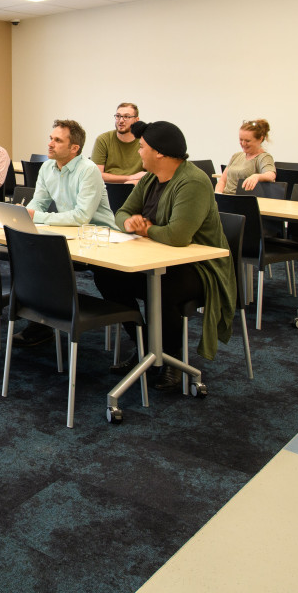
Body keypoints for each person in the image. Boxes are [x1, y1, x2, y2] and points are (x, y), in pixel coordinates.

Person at [92, 120, 236, 391]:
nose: (138, 152)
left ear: (159, 152)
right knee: (107, 275)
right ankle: (145, 344)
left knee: (163, 286)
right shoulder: (149, 178)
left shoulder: (193, 181)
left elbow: (178, 236)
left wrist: (146, 231)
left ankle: (171, 360)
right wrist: (128, 223)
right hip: (158, 259)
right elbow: (122, 211)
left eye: (142, 147)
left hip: (201, 268)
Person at [12, 119, 118, 347]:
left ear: (74, 148)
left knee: (48, 260)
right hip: (70, 234)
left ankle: (50, 321)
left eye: (57, 140)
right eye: (50, 138)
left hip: (101, 239)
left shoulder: (88, 171)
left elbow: (81, 217)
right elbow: (38, 204)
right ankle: (42, 324)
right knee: (35, 257)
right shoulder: (48, 168)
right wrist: (26, 213)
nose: (50, 144)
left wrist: (34, 216)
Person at [216, 119, 276, 194]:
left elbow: (271, 175)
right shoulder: (236, 156)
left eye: (247, 141)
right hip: (226, 199)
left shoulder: (263, 157)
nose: (243, 143)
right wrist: (218, 193)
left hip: (243, 201)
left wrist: (256, 176)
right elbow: (222, 181)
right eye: (241, 140)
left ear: (260, 139)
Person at [91, 102, 146, 184]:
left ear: (136, 120)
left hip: (137, 186)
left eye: (126, 117)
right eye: (118, 116)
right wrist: (130, 178)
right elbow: (96, 175)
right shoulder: (103, 140)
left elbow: (151, 174)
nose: (121, 121)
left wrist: (134, 181)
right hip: (109, 188)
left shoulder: (145, 141)